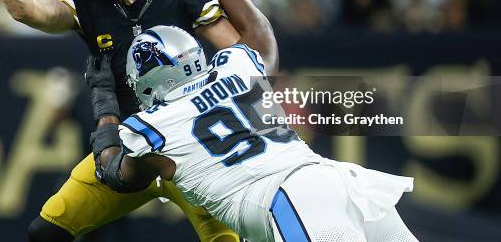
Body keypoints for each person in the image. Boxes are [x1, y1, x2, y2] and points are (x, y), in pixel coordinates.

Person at [0, 0, 277, 241]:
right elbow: (25, 9)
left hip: (190, 149)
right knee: (46, 232)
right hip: (131, 147)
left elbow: (244, 62)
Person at [89, 25, 419, 242]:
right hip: (340, 180)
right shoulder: (236, 66)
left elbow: (116, 173)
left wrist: (104, 104)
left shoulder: (154, 126)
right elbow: (261, 38)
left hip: (292, 201)